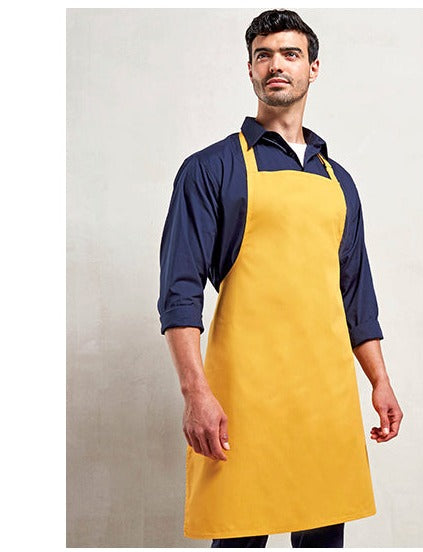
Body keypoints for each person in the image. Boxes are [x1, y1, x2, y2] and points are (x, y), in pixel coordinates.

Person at [157, 9, 403, 548]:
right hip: (243, 397)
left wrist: (380, 381)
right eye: (263, 55)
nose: (276, 65)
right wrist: (195, 393)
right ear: (249, 69)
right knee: (240, 534)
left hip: (324, 398)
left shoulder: (338, 181)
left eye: (291, 54)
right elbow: (179, 293)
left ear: (313, 68)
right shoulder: (211, 169)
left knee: (323, 536)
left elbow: (356, 294)